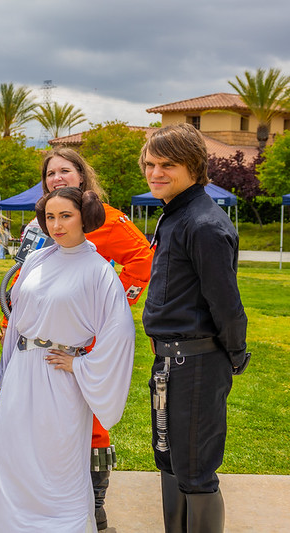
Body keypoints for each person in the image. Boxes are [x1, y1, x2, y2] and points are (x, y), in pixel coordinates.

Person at [1, 147, 153, 529]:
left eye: (65, 171)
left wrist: (106, 304)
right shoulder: (39, 226)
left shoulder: (108, 220)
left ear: (81, 176)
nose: (57, 178)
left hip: (79, 342)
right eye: (50, 173)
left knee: (88, 428)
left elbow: (143, 260)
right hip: (31, 345)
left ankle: (93, 501)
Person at [140, 123, 248, 533]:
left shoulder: (204, 224)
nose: (155, 173)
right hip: (170, 361)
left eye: (167, 164)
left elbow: (227, 304)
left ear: (193, 165)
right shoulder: (174, 215)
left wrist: (234, 354)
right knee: (169, 458)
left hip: (198, 362)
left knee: (196, 469)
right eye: (150, 164)